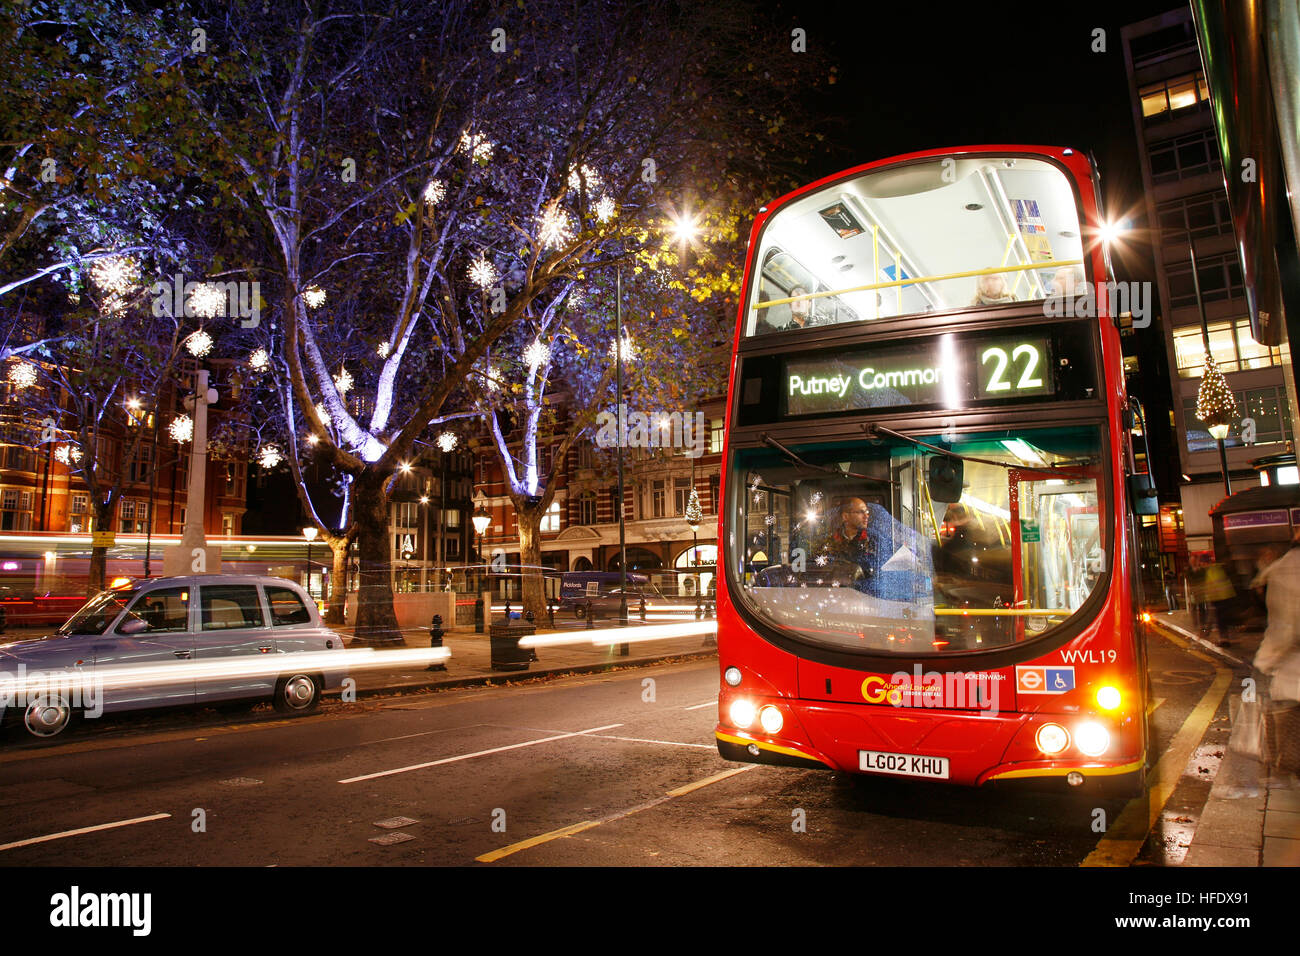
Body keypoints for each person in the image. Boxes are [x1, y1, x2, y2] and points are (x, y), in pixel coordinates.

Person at [1249, 529, 1300, 778]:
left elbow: (1285, 628)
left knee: (1292, 747)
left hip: (1294, 674)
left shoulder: (1285, 570)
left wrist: (1264, 663)